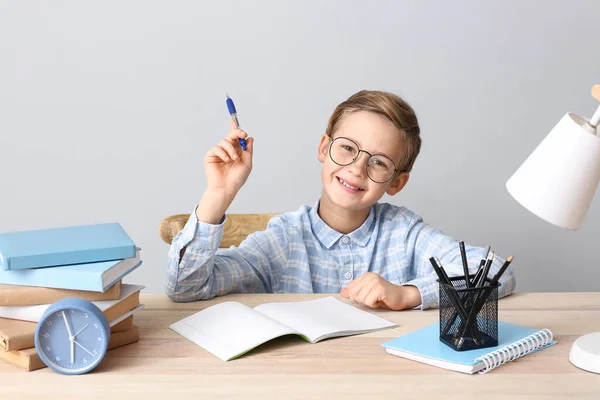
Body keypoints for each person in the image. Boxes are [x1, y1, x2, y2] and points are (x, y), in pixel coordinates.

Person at [165, 90, 515, 310]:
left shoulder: (404, 233)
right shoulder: (284, 239)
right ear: (324, 148)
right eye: (347, 148)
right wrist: (219, 195)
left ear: (397, 182)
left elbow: (498, 273)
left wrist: (408, 294)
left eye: (379, 162)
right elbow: (185, 289)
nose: (357, 168)